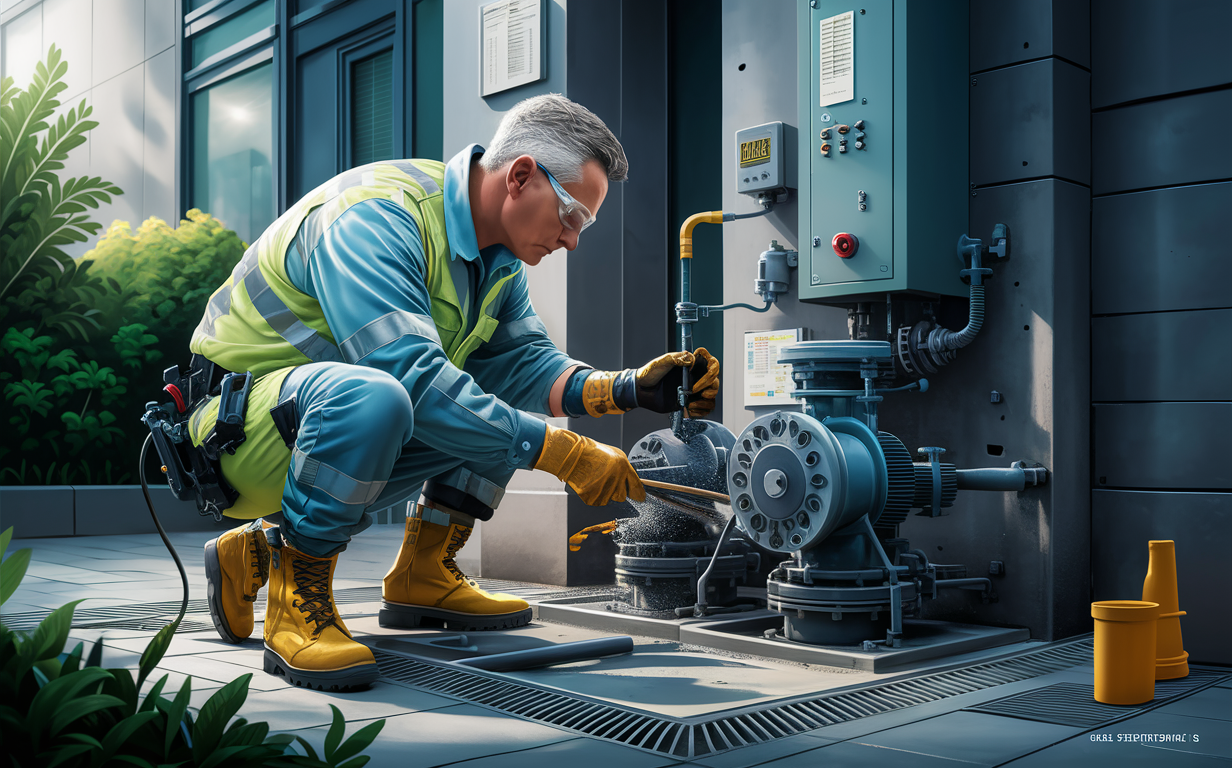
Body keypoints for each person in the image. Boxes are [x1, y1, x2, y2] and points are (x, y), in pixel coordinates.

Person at [187, 94, 721, 691]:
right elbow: (411, 380)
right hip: (234, 435)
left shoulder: (498, 265)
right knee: (389, 397)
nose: (573, 241)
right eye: (572, 217)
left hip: (322, 428)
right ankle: (297, 596)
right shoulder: (378, 217)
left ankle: (421, 574)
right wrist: (565, 454)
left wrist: (630, 389)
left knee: (480, 402)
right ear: (520, 176)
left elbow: (523, 366)